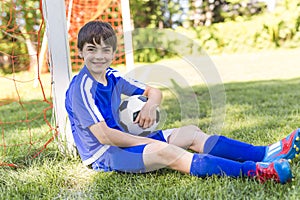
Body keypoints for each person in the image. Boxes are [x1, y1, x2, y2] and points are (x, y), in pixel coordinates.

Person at [65, 20, 300, 184]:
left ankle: (264, 153)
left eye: (106, 50)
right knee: (165, 151)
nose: (99, 56)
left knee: (190, 132)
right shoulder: (81, 88)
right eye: (91, 49)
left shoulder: (113, 76)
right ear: (80, 53)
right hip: (105, 152)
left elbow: (154, 91)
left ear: (113, 53)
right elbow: (106, 137)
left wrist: (150, 105)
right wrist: (145, 142)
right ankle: (254, 172)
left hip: (125, 141)